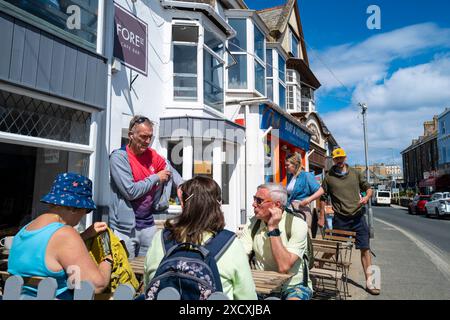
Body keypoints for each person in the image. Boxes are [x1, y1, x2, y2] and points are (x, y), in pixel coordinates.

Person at [144, 176, 257, 300]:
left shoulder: (161, 238)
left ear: (183, 204)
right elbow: (247, 297)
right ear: (217, 205)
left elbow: (148, 286)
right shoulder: (230, 244)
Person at [8, 173, 112, 299]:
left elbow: (51, 249)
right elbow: (96, 286)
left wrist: (84, 235)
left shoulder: (25, 229)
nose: (83, 216)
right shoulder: (65, 234)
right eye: (86, 210)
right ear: (74, 208)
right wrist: (107, 258)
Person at [109, 115, 172, 259]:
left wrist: (181, 185)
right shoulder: (119, 158)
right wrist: (156, 177)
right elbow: (130, 191)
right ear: (131, 135)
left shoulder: (151, 155)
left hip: (148, 225)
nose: (148, 141)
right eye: (143, 137)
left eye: (150, 137)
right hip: (124, 229)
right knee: (126, 273)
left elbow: (169, 168)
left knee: (148, 271)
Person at [321, 148, 379, 295]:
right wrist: (322, 216)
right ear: (333, 160)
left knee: (365, 248)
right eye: (336, 159)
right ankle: (317, 265)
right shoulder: (329, 177)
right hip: (340, 219)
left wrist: (366, 198)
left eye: (341, 158)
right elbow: (322, 196)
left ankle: (370, 283)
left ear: (345, 158)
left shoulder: (355, 173)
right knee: (335, 247)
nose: (339, 161)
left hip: (358, 217)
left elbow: (368, 188)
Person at [240, 183, 313, 300]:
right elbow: (241, 255)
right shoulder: (252, 223)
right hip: (262, 286)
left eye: (259, 201)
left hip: (293, 286)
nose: (253, 204)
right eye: (254, 199)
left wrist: (273, 228)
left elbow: (284, 267)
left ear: (277, 205)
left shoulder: (297, 224)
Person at [285, 153, 324, 234]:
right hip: (291, 209)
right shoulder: (291, 176)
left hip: (302, 210)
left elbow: (321, 191)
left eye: (287, 165)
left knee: (303, 234)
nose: (285, 167)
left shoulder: (306, 175)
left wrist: (308, 200)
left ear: (295, 164)